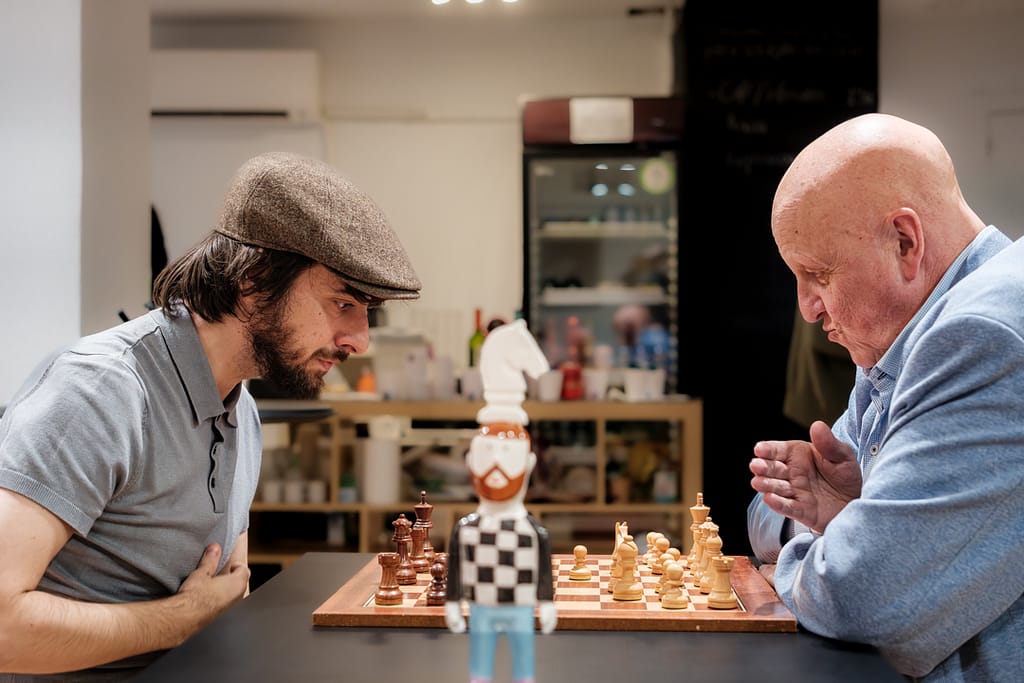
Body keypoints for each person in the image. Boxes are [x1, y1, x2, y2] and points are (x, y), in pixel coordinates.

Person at [0, 152, 421, 680]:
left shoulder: (241, 408)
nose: (360, 340)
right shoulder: (99, 390)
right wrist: (179, 622)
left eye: (368, 313)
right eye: (343, 304)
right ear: (253, 279)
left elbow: (227, 589)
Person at [746, 113, 1024, 682]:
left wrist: (803, 562)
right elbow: (767, 515)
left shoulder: (978, 335)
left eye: (819, 274)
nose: (808, 309)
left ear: (905, 241)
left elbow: (862, 597)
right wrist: (846, 520)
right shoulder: (901, 338)